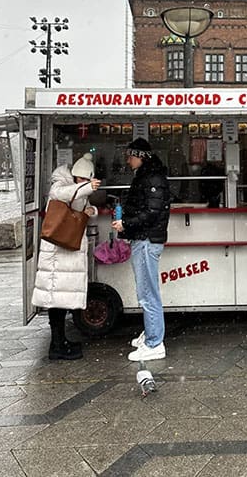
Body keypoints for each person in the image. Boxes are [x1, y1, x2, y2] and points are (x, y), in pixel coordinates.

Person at [32, 153, 100, 360]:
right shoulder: (60, 183)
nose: (83, 183)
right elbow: (61, 194)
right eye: (82, 179)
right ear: (76, 175)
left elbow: (76, 206)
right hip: (57, 251)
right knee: (56, 301)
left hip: (62, 251)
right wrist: (87, 188)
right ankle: (57, 345)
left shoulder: (73, 185)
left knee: (59, 300)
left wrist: (91, 210)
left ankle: (60, 342)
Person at [112, 138, 170, 362]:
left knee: (148, 293)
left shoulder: (151, 178)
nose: (127, 161)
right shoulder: (150, 176)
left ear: (141, 156)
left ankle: (155, 342)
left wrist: (126, 224)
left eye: (130, 156)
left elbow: (152, 212)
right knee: (146, 291)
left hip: (146, 240)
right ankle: (151, 333)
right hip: (145, 239)